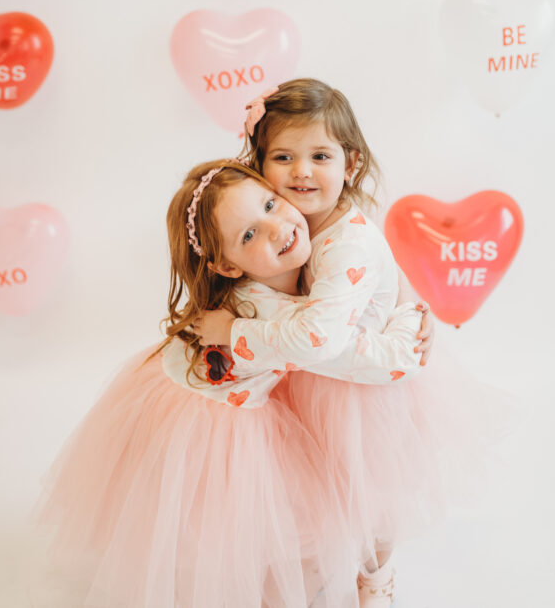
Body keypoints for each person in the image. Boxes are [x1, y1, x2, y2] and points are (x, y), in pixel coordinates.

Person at [37, 158, 433, 608]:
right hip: (212, 427)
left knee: (364, 489)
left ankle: (367, 579)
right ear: (227, 266)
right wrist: (411, 320)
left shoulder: (322, 255)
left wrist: (411, 300)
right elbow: (375, 359)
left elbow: (376, 270)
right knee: (289, 552)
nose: (275, 228)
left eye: (269, 203)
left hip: (248, 395)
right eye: (248, 235)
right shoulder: (263, 310)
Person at [195, 78, 509, 606]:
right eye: (283, 156)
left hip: (363, 394)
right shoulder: (284, 222)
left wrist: (238, 332)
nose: (301, 172)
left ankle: (376, 578)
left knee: (373, 500)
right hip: (313, 384)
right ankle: (318, 569)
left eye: (320, 155)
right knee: (316, 494)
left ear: (351, 163)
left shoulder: (349, 242)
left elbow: (319, 337)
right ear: (259, 164)